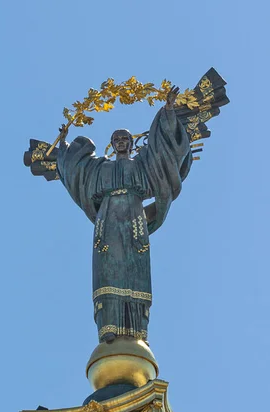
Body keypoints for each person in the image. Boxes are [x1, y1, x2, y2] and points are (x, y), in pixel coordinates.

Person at [57, 86, 192, 343]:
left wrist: (169, 111)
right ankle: (107, 326)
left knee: (135, 271)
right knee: (108, 271)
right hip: (107, 220)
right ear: (112, 144)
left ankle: (139, 330)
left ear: (131, 144)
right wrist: (64, 146)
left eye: (124, 138)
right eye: (116, 138)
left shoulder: (142, 165)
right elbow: (76, 171)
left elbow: (164, 151)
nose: (120, 142)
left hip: (133, 219)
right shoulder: (100, 168)